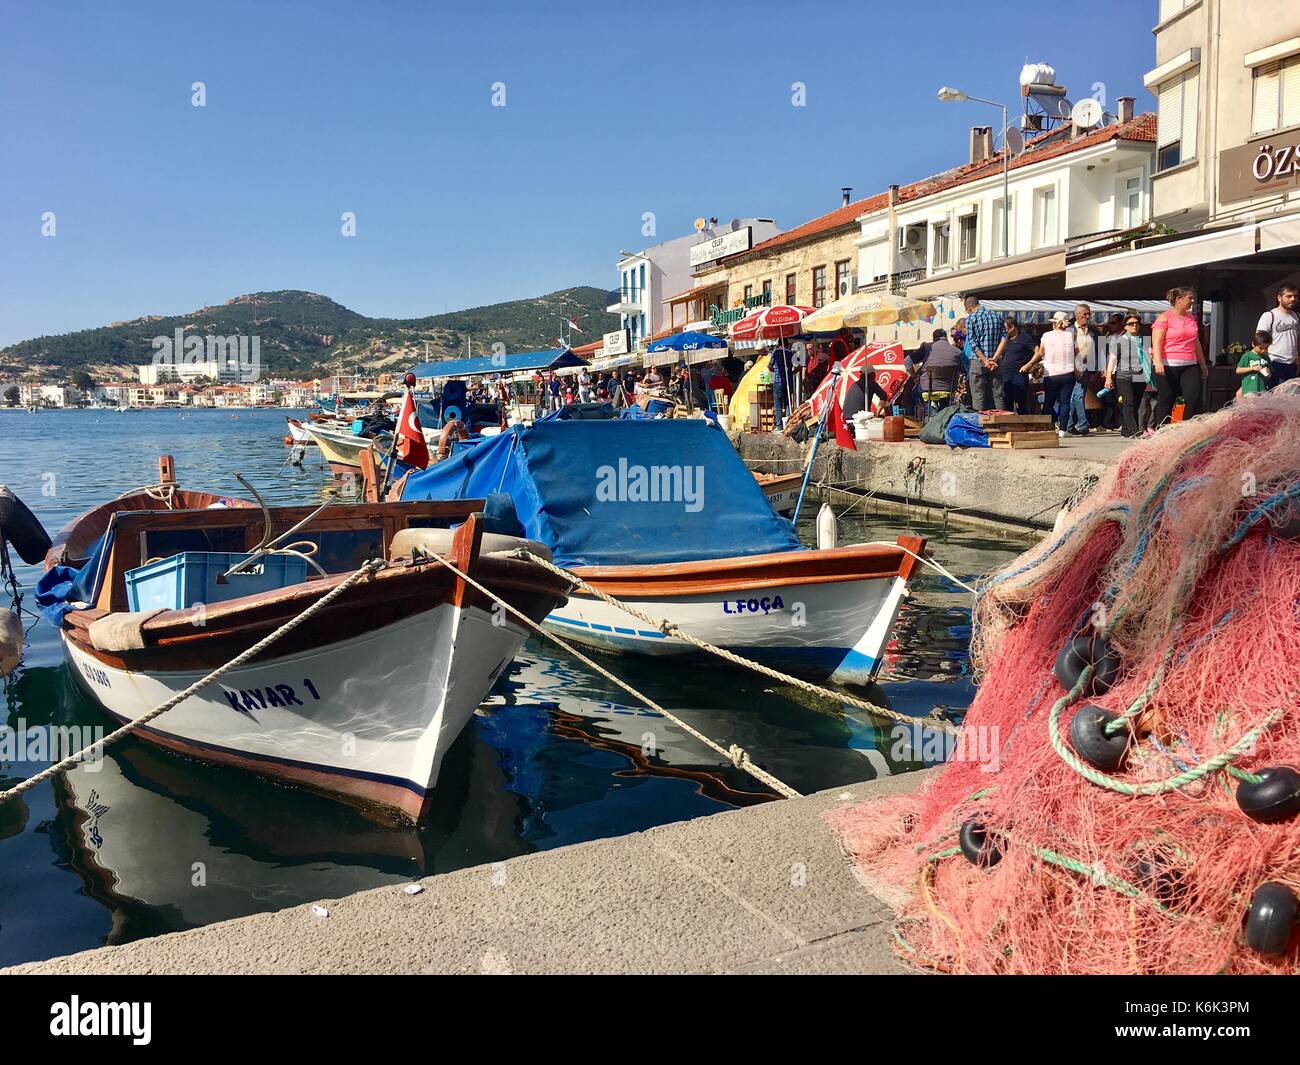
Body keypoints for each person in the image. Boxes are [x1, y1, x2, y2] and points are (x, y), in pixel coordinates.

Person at [1151, 286, 1209, 426]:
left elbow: (1196, 342)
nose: (1192, 301)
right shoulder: (1164, 317)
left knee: (1193, 397)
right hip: (1167, 364)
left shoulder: (1191, 318)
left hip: (1189, 364)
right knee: (1167, 399)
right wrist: (1158, 362)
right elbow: (1156, 342)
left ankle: (1186, 429)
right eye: (1190, 298)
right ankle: (1162, 432)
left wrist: (1202, 363)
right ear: (1179, 299)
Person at [1023, 311, 1078, 435]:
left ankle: (1046, 427)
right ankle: (1063, 429)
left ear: (1054, 323)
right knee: (1065, 402)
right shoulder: (1071, 335)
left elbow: (1041, 353)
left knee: (1049, 401)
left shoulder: (1046, 336)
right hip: (1068, 372)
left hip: (1051, 373)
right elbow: (1076, 351)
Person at [1104, 312, 1153, 437]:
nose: (1134, 326)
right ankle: (1134, 430)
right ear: (1125, 326)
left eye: (1137, 323)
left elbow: (1148, 357)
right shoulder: (1119, 341)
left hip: (1140, 375)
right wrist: (1108, 377)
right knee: (1129, 401)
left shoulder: (1144, 339)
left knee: (1136, 403)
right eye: (1131, 324)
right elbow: (1112, 360)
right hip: (1123, 375)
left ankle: (1126, 430)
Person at [963, 294, 1006, 411]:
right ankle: (1001, 424)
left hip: (978, 361)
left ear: (969, 308)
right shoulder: (997, 316)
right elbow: (1004, 338)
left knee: (978, 396)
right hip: (996, 361)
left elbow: (972, 343)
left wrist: (985, 360)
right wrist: (995, 358)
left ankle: (980, 426)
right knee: (998, 395)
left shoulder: (971, 319)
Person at [1257, 283, 1299, 386]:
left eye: (1295, 296)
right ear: (1279, 297)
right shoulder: (1269, 316)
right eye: (1288, 296)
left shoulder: (1297, 317)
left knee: (1291, 397)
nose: (1293, 299)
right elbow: (1259, 340)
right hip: (1274, 362)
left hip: (1292, 364)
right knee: (1275, 396)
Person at [994, 317, 1036, 414]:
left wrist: (1028, 365)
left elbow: (1038, 352)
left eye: (1005, 329)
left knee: (1021, 402)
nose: (1004, 331)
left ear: (1012, 327)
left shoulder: (1024, 338)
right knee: (1006, 402)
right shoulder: (1004, 340)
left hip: (1019, 374)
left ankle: (1024, 425)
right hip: (1005, 374)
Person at [1237, 330, 1273, 398]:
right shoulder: (1247, 356)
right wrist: (1252, 368)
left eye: (1266, 348)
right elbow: (1238, 370)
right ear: (1253, 344)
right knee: (1252, 407)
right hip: (1250, 390)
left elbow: (1269, 376)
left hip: (1263, 389)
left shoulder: (1266, 358)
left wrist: (1268, 374)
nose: (1263, 350)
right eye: (1261, 348)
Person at [769, 344, 793, 430]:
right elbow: (798, 364)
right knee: (787, 403)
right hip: (788, 381)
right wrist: (791, 372)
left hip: (778, 381)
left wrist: (775, 371)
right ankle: (788, 424)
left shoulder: (775, 353)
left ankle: (779, 426)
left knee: (778, 404)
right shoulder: (790, 353)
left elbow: (769, 366)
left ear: (778, 344)